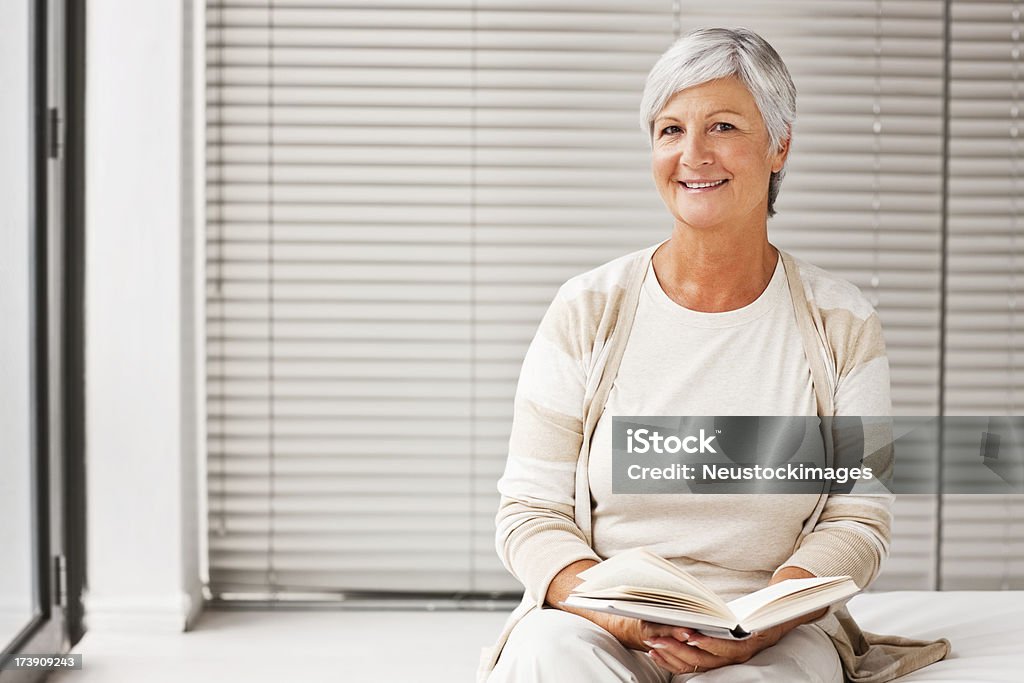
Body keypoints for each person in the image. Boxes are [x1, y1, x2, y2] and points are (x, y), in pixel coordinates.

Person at [479, 27, 949, 683]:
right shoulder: (587, 309)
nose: (692, 154)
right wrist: (616, 612)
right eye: (670, 130)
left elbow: (858, 516)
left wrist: (767, 615)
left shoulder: (841, 320)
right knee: (548, 657)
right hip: (598, 622)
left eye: (722, 125)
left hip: (773, 632)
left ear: (779, 144)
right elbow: (531, 513)